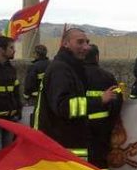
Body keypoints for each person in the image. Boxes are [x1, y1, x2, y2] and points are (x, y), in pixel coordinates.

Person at [35, 29, 118, 162]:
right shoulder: (60, 69)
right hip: (63, 147)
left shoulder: (71, 67)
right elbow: (64, 107)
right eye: (80, 42)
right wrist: (100, 100)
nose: (86, 47)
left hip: (69, 142)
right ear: (65, 44)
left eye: (87, 42)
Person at [84, 44, 122, 170]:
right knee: (101, 160)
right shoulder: (107, 76)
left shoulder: (74, 76)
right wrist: (111, 121)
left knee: (81, 161)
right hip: (102, 126)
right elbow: (118, 100)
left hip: (80, 125)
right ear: (97, 57)